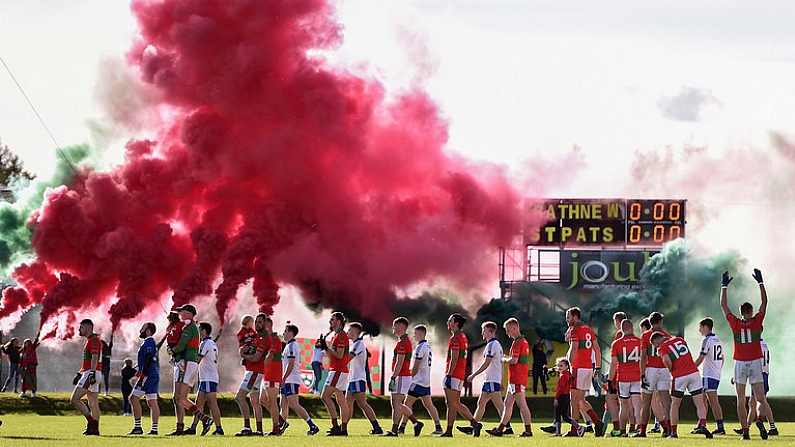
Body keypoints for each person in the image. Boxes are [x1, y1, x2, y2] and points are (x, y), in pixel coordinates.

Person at [720, 269, 771, 440]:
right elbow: (765, 303)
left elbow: (723, 306)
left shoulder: (735, 323)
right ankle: (759, 419)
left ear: (741, 313)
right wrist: (761, 283)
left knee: (740, 399)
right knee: (761, 399)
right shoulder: (757, 322)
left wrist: (724, 286)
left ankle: (746, 433)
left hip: (740, 363)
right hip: (756, 362)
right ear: (751, 312)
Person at [651, 332, 713, 438]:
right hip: (694, 372)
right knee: (700, 403)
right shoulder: (680, 340)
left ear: (657, 341)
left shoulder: (662, 348)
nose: (656, 347)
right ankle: (702, 424)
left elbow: (666, 359)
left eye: (655, 345)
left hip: (679, 375)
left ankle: (674, 432)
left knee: (675, 404)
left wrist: (671, 369)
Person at [167, 303, 213, 436]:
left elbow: (181, 345)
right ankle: (182, 427)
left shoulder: (190, 327)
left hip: (187, 363)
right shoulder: (188, 326)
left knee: (180, 398)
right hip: (185, 363)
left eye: (181, 312)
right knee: (178, 398)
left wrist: (172, 350)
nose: (179, 314)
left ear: (188, 313)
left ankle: (204, 419)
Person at [459, 321, 509, 435]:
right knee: (481, 403)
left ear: (490, 332)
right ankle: (473, 425)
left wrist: (473, 375)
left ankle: (507, 427)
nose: (482, 333)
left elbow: (486, 363)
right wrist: (500, 381)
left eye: (484, 330)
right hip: (491, 379)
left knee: (499, 405)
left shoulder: (492, 345)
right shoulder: (496, 345)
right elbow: (500, 364)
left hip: (491, 379)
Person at [486, 317, 533, 437]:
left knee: (521, 403)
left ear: (514, 328)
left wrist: (505, 359)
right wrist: (509, 358)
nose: (507, 332)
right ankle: (500, 429)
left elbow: (514, 361)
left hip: (517, 378)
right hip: (516, 378)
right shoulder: (524, 341)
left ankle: (528, 431)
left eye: (508, 330)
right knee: (507, 404)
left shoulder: (517, 342)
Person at [563, 307, 605, 437]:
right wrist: (597, 367)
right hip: (588, 367)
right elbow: (597, 349)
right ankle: (597, 422)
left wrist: (568, 365)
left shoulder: (576, 330)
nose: (566, 320)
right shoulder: (587, 329)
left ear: (575, 317)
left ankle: (574, 430)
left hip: (578, 367)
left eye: (568, 317)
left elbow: (574, 349)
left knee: (574, 401)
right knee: (580, 400)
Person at [439, 313, 479, 437]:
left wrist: (449, 375)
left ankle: (449, 431)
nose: (448, 322)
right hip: (460, 374)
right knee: (456, 403)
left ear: (456, 324)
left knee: (451, 404)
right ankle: (474, 423)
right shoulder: (463, 337)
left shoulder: (455, 338)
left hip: (454, 374)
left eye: (450, 321)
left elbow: (454, 358)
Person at [398, 324, 443, 435]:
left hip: (418, 381)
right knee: (428, 404)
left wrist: (409, 377)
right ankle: (438, 427)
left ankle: (402, 427)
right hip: (425, 380)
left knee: (406, 403)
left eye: (415, 333)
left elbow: (416, 366)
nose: (414, 336)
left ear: (421, 334)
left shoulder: (420, 347)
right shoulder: (427, 346)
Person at [634, 311, 672, 437]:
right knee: (666, 402)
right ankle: (668, 430)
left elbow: (643, 357)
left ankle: (642, 431)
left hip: (651, 369)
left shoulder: (645, 336)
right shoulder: (667, 336)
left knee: (646, 402)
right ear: (660, 322)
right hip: (664, 369)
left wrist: (642, 374)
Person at [383, 317, 422, 436]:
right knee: (397, 403)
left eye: (395, 326)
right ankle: (416, 423)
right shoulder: (405, 341)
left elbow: (400, 362)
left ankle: (394, 430)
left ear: (400, 327)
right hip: (403, 376)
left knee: (396, 404)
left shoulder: (403, 342)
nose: (393, 328)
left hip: (401, 376)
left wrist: (393, 377)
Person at [279, 322, 320, 435]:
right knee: (283, 404)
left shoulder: (292, 346)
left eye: (285, 331)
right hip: (288, 379)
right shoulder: (289, 345)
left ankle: (312, 426)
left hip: (291, 379)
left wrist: (283, 378)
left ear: (291, 333)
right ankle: (279, 427)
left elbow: (291, 364)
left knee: (294, 404)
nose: (283, 333)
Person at [342, 322, 383, 435]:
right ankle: (343, 428)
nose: (347, 332)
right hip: (352, 379)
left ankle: (377, 427)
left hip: (358, 379)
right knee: (347, 403)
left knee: (362, 404)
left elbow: (347, 359)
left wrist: (336, 354)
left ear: (355, 332)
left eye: (349, 330)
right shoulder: (356, 344)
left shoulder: (358, 344)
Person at [234, 312, 271, 436]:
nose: (257, 324)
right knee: (255, 401)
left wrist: (243, 354)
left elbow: (256, 358)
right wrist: (243, 349)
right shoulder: (256, 336)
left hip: (254, 371)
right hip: (252, 370)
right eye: (256, 322)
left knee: (239, 397)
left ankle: (247, 427)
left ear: (265, 323)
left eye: (260, 322)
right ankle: (259, 430)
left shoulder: (265, 338)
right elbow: (246, 347)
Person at [186, 321, 224, 436]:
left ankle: (219, 429)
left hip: (208, 378)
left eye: (198, 329)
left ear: (203, 331)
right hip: (207, 378)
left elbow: (197, 360)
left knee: (212, 404)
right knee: (198, 404)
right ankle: (193, 428)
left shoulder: (204, 343)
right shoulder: (211, 343)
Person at [608, 319, 642, 437]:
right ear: (632, 328)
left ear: (621, 330)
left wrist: (609, 380)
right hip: (637, 377)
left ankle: (622, 431)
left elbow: (613, 365)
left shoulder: (616, 344)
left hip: (623, 378)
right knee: (637, 405)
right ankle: (639, 429)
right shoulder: (640, 342)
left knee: (624, 406)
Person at [320, 311, 351, 436]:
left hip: (338, 370)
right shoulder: (335, 335)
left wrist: (326, 348)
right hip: (338, 369)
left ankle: (335, 426)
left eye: (332, 319)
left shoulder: (341, 335)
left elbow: (339, 354)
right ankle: (343, 429)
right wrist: (324, 347)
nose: (330, 321)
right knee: (341, 400)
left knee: (325, 396)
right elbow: (332, 356)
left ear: (339, 321)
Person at [694, 317, 726, 435]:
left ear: (706, 327)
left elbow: (701, 358)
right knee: (702, 400)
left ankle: (720, 427)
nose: (699, 330)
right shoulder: (718, 340)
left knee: (713, 401)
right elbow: (722, 358)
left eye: (700, 327)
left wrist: (691, 368)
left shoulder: (707, 340)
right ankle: (701, 425)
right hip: (715, 374)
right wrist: (718, 369)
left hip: (708, 375)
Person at [128, 322, 160, 436]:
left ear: (148, 331)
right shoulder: (148, 342)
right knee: (152, 402)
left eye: (142, 328)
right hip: (153, 375)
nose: (140, 331)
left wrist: (142, 376)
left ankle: (137, 427)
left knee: (133, 398)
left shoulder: (149, 341)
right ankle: (154, 429)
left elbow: (149, 358)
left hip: (149, 375)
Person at [740, 338, 778, 436]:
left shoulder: (755, 345)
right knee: (753, 402)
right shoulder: (764, 344)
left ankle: (761, 421)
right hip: (764, 373)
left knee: (760, 401)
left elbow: (750, 362)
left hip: (758, 374)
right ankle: (747, 427)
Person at [71, 319, 103, 436]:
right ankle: (95, 429)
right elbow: (89, 360)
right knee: (93, 404)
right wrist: (80, 373)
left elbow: (94, 357)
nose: (79, 330)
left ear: (87, 328)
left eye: (81, 327)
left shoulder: (93, 340)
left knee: (74, 399)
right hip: (93, 372)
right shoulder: (91, 340)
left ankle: (92, 423)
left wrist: (92, 373)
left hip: (91, 373)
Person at [541, 357, 582, 436]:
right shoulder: (567, 374)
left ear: (566, 366)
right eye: (558, 365)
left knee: (558, 416)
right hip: (567, 396)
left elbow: (560, 389)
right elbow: (557, 369)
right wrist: (550, 370)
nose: (559, 367)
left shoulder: (563, 376)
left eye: (561, 366)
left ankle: (558, 433)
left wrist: (556, 398)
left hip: (561, 397)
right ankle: (579, 427)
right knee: (566, 417)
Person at [260, 316, 287, 436]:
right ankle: (280, 421)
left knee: (272, 401)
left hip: (272, 374)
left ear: (268, 326)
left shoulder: (274, 338)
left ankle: (276, 429)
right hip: (267, 374)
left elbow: (270, 355)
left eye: (261, 323)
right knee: (263, 399)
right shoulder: (266, 338)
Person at [19, 332, 40, 398]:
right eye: (25, 343)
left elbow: (35, 342)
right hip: (23, 367)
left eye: (28, 343)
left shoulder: (32, 348)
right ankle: (23, 392)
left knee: (32, 379)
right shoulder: (22, 351)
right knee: (24, 380)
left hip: (31, 366)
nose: (27, 344)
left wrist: (37, 336)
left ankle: (33, 393)